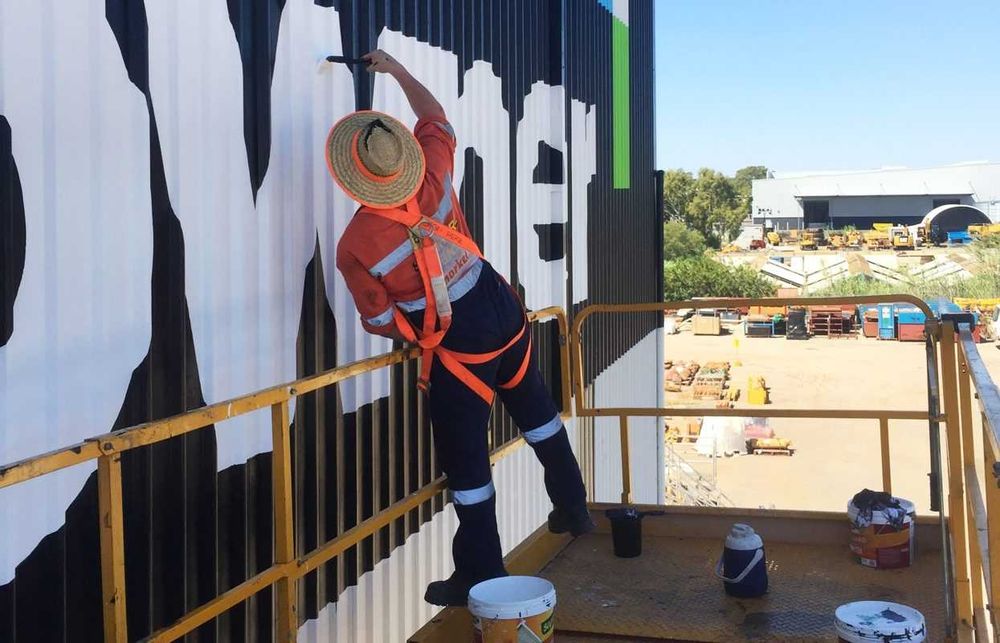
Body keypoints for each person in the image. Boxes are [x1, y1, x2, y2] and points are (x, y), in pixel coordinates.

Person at [327, 50, 593, 607]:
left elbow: (379, 320)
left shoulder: (356, 245)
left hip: (457, 343)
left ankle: (480, 571)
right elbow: (435, 117)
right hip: (501, 306)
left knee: (467, 458)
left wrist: (422, 335)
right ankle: (573, 507)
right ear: (400, 158)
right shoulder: (434, 169)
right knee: (538, 413)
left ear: (353, 179)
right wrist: (397, 71)